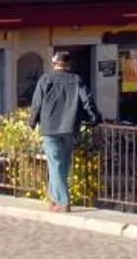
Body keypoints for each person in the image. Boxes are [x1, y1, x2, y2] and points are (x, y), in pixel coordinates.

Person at [26, 51, 100, 212]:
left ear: (54, 64)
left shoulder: (45, 79)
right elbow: (87, 100)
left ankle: (63, 201)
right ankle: (53, 199)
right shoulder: (75, 79)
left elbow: (36, 104)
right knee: (62, 165)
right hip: (69, 127)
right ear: (68, 65)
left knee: (55, 164)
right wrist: (95, 118)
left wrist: (31, 123)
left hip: (49, 128)